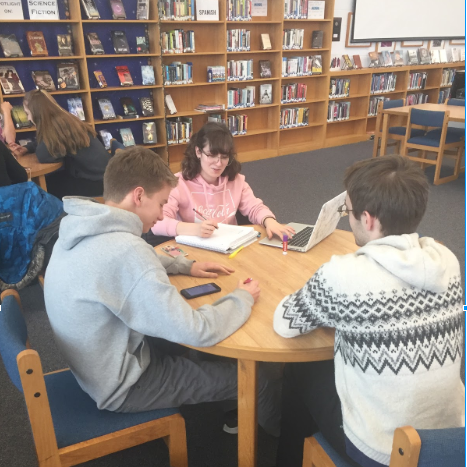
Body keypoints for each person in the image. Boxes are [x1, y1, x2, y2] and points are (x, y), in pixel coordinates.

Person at [43, 146, 281, 437]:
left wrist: (183, 265)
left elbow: (129, 259)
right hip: (124, 386)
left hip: (96, 365)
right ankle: (289, 442)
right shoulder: (126, 252)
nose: (160, 216)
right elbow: (197, 329)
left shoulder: (81, 228)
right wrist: (242, 298)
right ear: (139, 195)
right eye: (161, 204)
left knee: (189, 345)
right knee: (258, 379)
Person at [273, 155, 464, 467]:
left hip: (383, 449)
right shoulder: (447, 260)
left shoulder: (344, 275)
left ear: (369, 219)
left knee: (298, 371)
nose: (349, 219)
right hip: (449, 439)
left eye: (349, 212)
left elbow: (285, 321)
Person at [150, 122, 294, 244]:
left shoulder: (236, 181)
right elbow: (158, 223)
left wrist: (270, 221)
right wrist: (196, 229)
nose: (218, 163)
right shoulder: (178, 184)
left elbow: (254, 207)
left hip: (230, 246)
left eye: (224, 157)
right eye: (212, 155)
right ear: (198, 152)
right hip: (195, 248)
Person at [10, 89, 111, 199]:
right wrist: (27, 148)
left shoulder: (57, 127)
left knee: (45, 187)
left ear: (37, 112)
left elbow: (44, 156)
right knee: (50, 181)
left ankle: (62, 215)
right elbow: (46, 144)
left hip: (96, 182)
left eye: (28, 113)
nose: (28, 118)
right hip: (102, 177)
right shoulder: (62, 120)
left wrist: (35, 144)